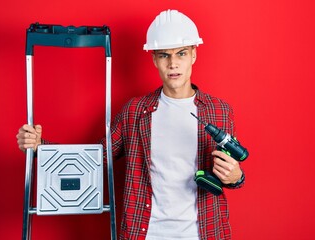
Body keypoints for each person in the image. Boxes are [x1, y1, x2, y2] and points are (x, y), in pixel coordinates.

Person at [17, 9, 245, 240]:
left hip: (204, 232)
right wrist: (39, 147)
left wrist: (236, 177)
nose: (173, 63)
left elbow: (230, 174)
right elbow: (97, 159)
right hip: (146, 232)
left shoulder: (219, 111)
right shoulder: (135, 111)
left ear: (193, 55)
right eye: (164, 55)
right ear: (154, 58)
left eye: (181, 53)